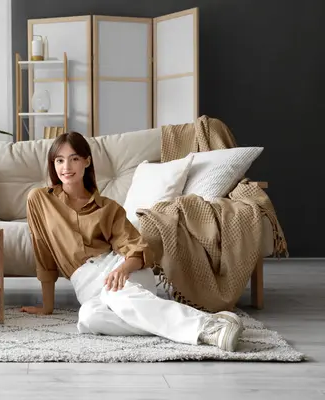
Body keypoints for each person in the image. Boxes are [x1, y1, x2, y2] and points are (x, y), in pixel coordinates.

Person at [21, 131, 244, 352]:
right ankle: (210, 321)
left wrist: (123, 269)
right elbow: (43, 251)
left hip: (123, 270)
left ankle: (208, 330)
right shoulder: (40, 199)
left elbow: (138, 248)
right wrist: (47, 307)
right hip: (86, 284)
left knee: (116, 295)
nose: (66, 167)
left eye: (74, 159)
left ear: (86, 162)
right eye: (59, 160)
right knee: (88, 318)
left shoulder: (108, 208)